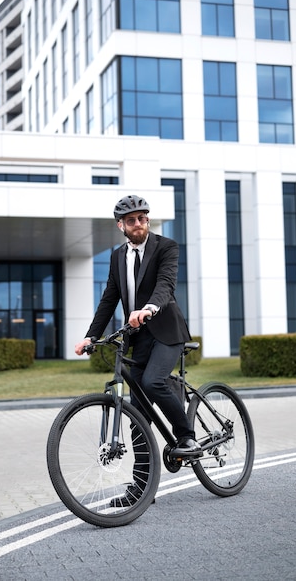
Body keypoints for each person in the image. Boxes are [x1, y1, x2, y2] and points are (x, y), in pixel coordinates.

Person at [74, 195, 201, 507]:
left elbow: (166, 284)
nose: (139, 223)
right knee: (138, 416)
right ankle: (142, 488)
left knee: (153, 382)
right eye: (132, 220)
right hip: (139, 338)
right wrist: (91, 336)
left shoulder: (166, 246)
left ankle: (186, 435)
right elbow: (109, 298)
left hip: (166, 331)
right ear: (121, 225)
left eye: (143, 218)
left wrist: (148, 308)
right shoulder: (118, 257)